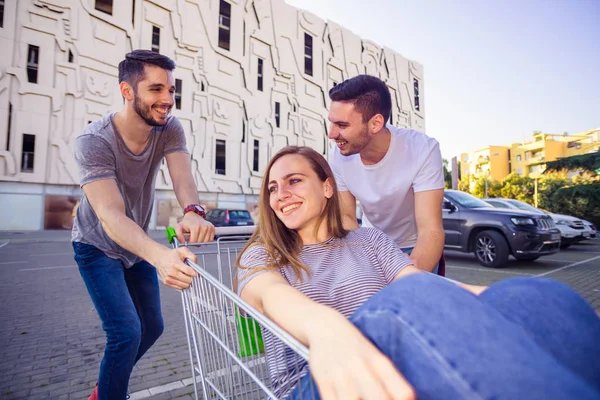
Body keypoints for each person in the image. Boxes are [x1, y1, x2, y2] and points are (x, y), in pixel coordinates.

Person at [235, 146, 600, 400]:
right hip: (319, 383)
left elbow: (421, 283)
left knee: (531, 295)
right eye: (272, 187)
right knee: (397, 307)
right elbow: (270, 296)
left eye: (294, 181)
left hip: (396, 365)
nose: (280, 194)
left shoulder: (367, 240)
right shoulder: (262, 255)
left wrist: (502, 303)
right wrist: (328, 331)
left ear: (327, 187)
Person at [71, 50, 215, 400]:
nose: (167, 99)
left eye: (171, 90)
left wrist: (193, 211)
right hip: (96, 246)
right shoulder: (94, 142)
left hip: (135, 245)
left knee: (152, 326)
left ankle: (106, 386)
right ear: (127, 90)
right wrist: (160, 257)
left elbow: (183, 176)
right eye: (156, 90)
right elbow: (111, 216)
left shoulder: (168, 128)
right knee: (126, 332)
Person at [328, 75, 445, 273]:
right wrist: (367, 257)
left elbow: (430, 229)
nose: (331, 134)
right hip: (370, 243)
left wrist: (411, 273)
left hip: (415, 244)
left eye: (342, 125)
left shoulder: (423, 149)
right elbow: (347, 217)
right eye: (331, 123)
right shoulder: (338, 156)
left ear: (375, 123)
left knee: (412, 297)